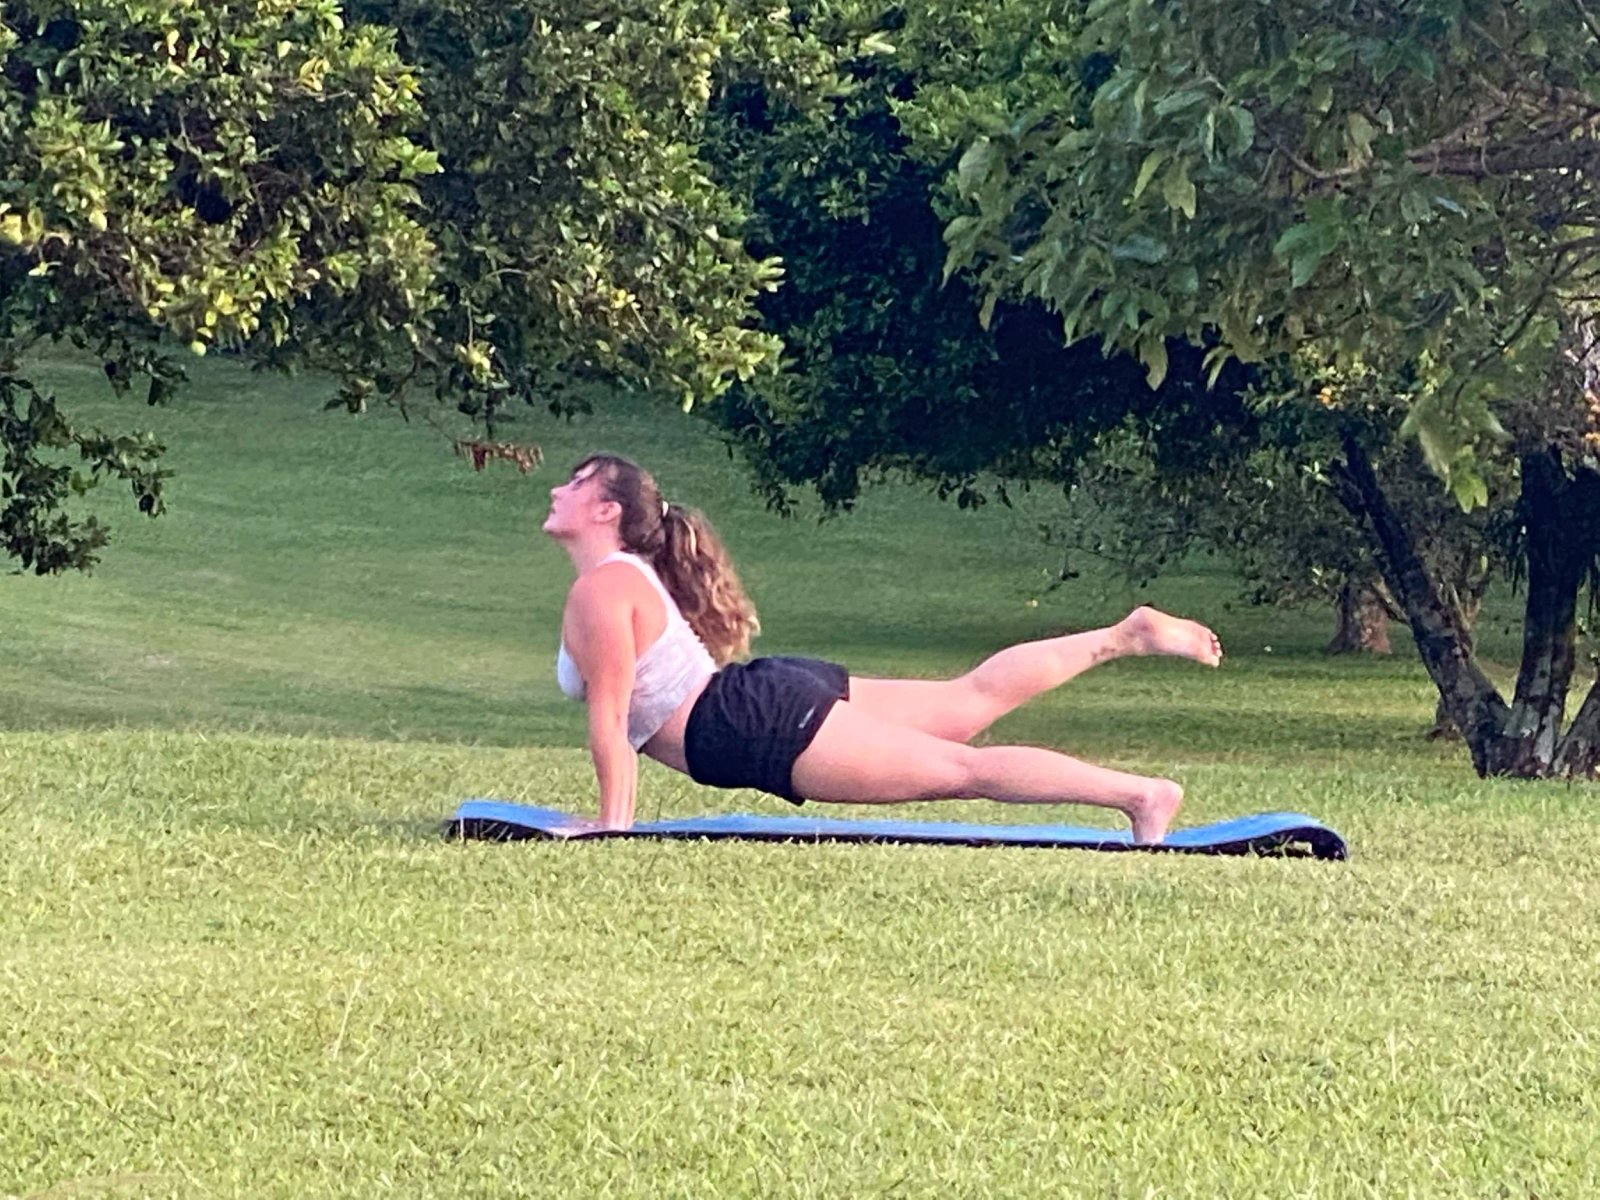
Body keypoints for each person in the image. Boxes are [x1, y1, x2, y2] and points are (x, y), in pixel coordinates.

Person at [547, 453, 1223, 844]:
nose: (556, 490)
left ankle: (1140, 796)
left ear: (607, 510)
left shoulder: (603, 590)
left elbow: (612, 718)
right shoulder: (619, 581)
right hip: (760, 699)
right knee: (967, 701)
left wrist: (612, 825)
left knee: (961, 768)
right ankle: (1122, 636)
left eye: (576, 484)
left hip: (750, 725)